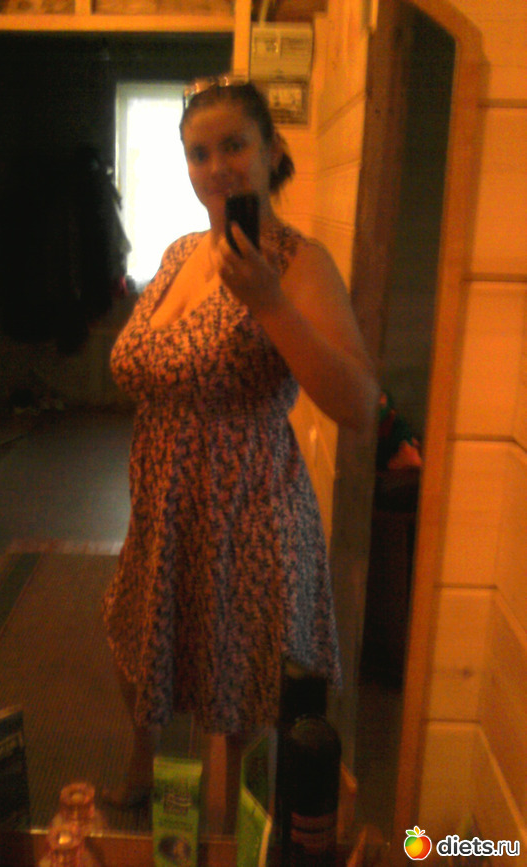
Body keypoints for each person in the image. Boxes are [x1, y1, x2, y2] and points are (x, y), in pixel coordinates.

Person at [101, 76, 379, 820]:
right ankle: (143, 765)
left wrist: (269, 303)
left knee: (235, 692)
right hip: (161, 503)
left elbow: (358, 404)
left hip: (246, 514)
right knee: (138, 637)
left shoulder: (298, 262)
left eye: (233, 145)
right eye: (199, 153)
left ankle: (228, 828)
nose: (216, 166)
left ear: (271, 151)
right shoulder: (178, 252)